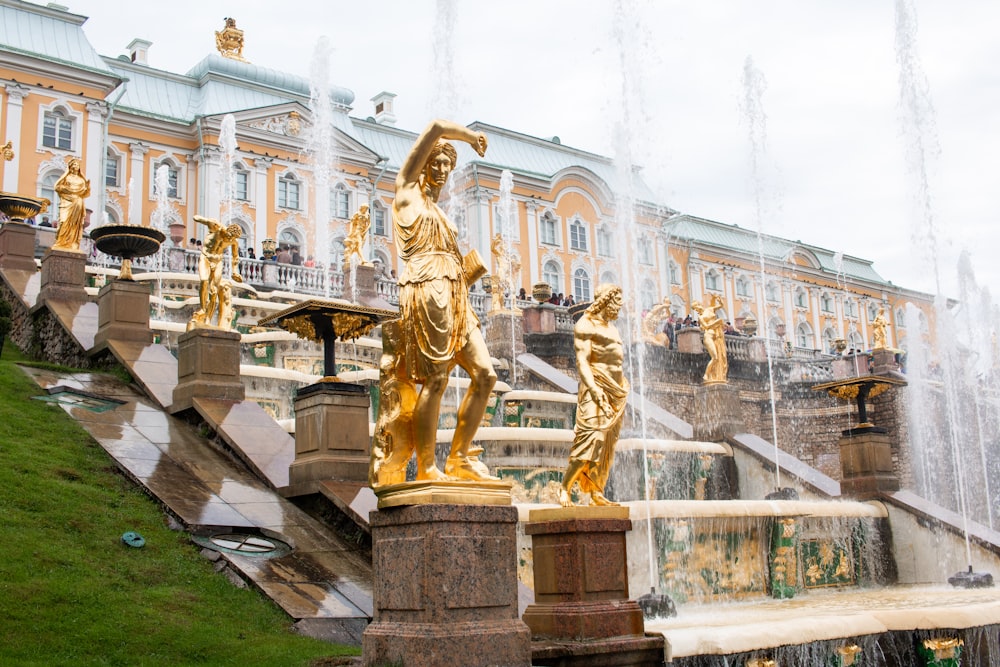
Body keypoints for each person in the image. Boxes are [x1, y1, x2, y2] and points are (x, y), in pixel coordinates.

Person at [375, 119, 496, 483]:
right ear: (423, 163)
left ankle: (459, 458)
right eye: (437, 163)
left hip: (457, 295)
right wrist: (469, 136)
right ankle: (427, 468)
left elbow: (451, 260)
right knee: (438, 379)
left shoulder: (440, 211)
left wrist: (468, 269)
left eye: (448, 165)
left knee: (486, 375)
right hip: (426, 290)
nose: (442, 170)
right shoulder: (406, 191)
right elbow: (434, 127)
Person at [559, 284, 629, 507]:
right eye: (616, 303)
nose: (619, 308)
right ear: (605, 301)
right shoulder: (585, 324)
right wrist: (595, 391)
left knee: (607, 444)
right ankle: (565, 488)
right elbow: (582, 362)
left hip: (616, 391)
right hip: (594, 388)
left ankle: (597, 492)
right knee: (591, 439)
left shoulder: (612, 328)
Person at [188, 215, 243, 330]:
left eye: (231, 238)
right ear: (227, 230)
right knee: (204, 281)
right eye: (228, 236)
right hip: (206, 257)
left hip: (218, 261)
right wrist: (206, 220)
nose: (229, 239)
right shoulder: (216, 227)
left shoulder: (234, 242)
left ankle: (208, 318)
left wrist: (235, 271)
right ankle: (203, 309)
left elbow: (235, 257)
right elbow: (197, 218)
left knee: (214, 291)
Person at [52, 158, 91, 252]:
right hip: (67, 202)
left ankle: (72, 243)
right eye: (74, 164)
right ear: (70, 167)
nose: (76, 166)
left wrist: (87, 187)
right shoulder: (66, 177)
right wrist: (68, 191)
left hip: (77, 202)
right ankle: (61, 242)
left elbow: (85, 193)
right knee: (63, 221)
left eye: (77, 165)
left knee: (75, 224)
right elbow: (57, 187)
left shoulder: (81, 180)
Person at [691, 293, 728, 383]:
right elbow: (707, 326)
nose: (697, 309)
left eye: (697, 306)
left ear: (700, 305)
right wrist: (717, 322)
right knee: (715, 357)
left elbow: (721, 306)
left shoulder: (710, 309)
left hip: (717, 336)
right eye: (695, 309)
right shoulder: (701, 317)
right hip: (708, 336)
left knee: (720, 357)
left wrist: (719, 300)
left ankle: (716, 375)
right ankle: (706, 375)